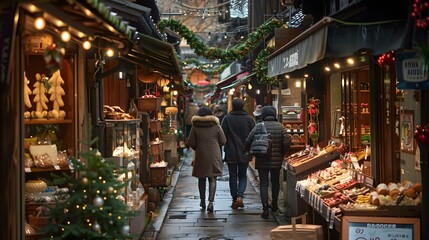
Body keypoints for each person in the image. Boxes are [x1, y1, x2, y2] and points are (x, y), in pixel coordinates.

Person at [244, 106, 291, 218]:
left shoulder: (259, 126)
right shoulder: (281, 127)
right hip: (276, 160)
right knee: (275, 182)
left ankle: (265, 208)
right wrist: (281, 153)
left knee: (264, 184)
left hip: (262, 159)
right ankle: (274, 204)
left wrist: (248, 151)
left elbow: (248, 140)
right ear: (274, 114)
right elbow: (287, 141)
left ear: (263, 115)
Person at [187, 106, 227, 213]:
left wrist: (198, 148)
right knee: (212, 178)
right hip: (214, 154)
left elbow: (190, 142)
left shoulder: (195, 126)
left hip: (201, 154)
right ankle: (211, 202)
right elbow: (223, 141)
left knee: (201, 178)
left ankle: (202, 201)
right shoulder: (216, 125)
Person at [221, 98, 255, 209]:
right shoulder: (249, 119)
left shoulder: (227, 119)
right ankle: (240, 196)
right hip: (245, 152)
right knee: (242, 175)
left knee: (233, 176)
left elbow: (222, 135)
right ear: (243, 106)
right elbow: (253, 135)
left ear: (232, 106)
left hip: (231, 152)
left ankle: (234, 198)